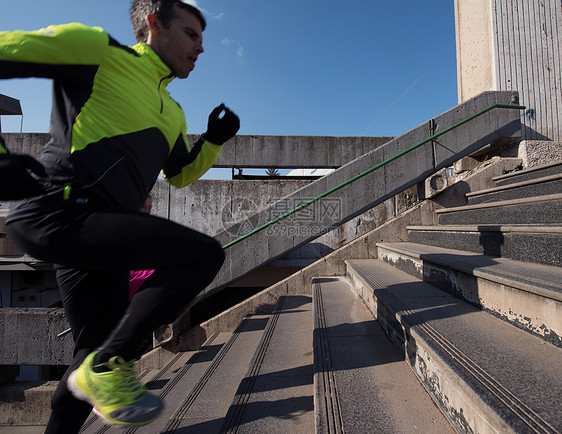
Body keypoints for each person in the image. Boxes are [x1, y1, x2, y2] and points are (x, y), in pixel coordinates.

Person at [0, 0, 240, 431]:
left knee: (88, 353)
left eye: (203, 38)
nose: (200, 47)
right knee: (201, 255)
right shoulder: (96, 50)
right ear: (153, 25)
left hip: (99, 240)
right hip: (54, 210)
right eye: (190, 34)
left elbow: (180, 174)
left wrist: (214, 140)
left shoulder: (173, 112)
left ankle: (96, 370)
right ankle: (110, 363)